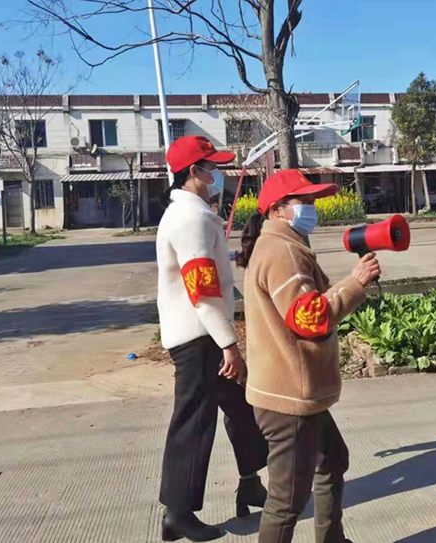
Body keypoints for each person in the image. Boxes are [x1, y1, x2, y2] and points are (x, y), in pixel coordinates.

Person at [236, 169, 380, 543]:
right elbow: (309, 319)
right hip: (289, 398)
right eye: (306, 201)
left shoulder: (281, 245)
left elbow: (307, 305)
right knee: (286, 503)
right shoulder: (283, 252)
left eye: (314, 200)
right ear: (277, 209)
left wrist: (348, 285)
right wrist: (355, 283)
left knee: (332, 460)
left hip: (288, 390)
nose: (313, 208)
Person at [156, 135, 269, 542]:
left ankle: (250, 481)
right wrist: (229, 345)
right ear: (194, 172)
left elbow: (206, 272)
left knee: (241, 407)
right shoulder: (193, 219)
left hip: (203, 333)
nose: (217, 173)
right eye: (212, 167)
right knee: (193, 421)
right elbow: (201, 292)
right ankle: (178, 513)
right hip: (200, 337)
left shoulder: (192, 214)